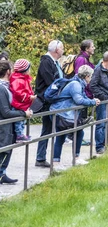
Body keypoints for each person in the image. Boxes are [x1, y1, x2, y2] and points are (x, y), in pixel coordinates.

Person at [51, 65, 100, 170]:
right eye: (90, 77)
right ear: (86, 76)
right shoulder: (76, 84)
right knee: (61, 136)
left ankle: (73, 158)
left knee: (77, 133)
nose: (90, 79)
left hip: (64, 113)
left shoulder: (78, 83)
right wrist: (92, 102)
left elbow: (83, 97)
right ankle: (58, 162)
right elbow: (79, 100)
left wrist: (92, 100)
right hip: (62, 113)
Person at [0, 60, 33, 184]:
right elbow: (5, 112)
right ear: (8, 71)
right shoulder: (1, 88)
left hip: (8, 126)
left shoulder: (8, 86)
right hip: (3, 126)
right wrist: (23, 113)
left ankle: (2, 174)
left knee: (7, 151)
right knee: (3, 151)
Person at [34, 39, 64, 168]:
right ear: (57, 50)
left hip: (53, 99)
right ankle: (40, 157)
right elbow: (51, 82)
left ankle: (43, 157)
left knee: (50, 129)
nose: (63, 50)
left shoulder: (54, 62)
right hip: (47, 100)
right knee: (46, 129)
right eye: (62, 48)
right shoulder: (46, 62)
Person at [9, 59, 35, 142]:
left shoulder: (23, 79)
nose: (30, 71)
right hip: (18, 104)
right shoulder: (18, 80)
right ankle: (19, 135)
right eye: (29, 69)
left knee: (22, 120)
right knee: (19, 121)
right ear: (24, 70)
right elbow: (18, 93)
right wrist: (29, 97)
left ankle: (21, 134)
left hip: (23, 104)